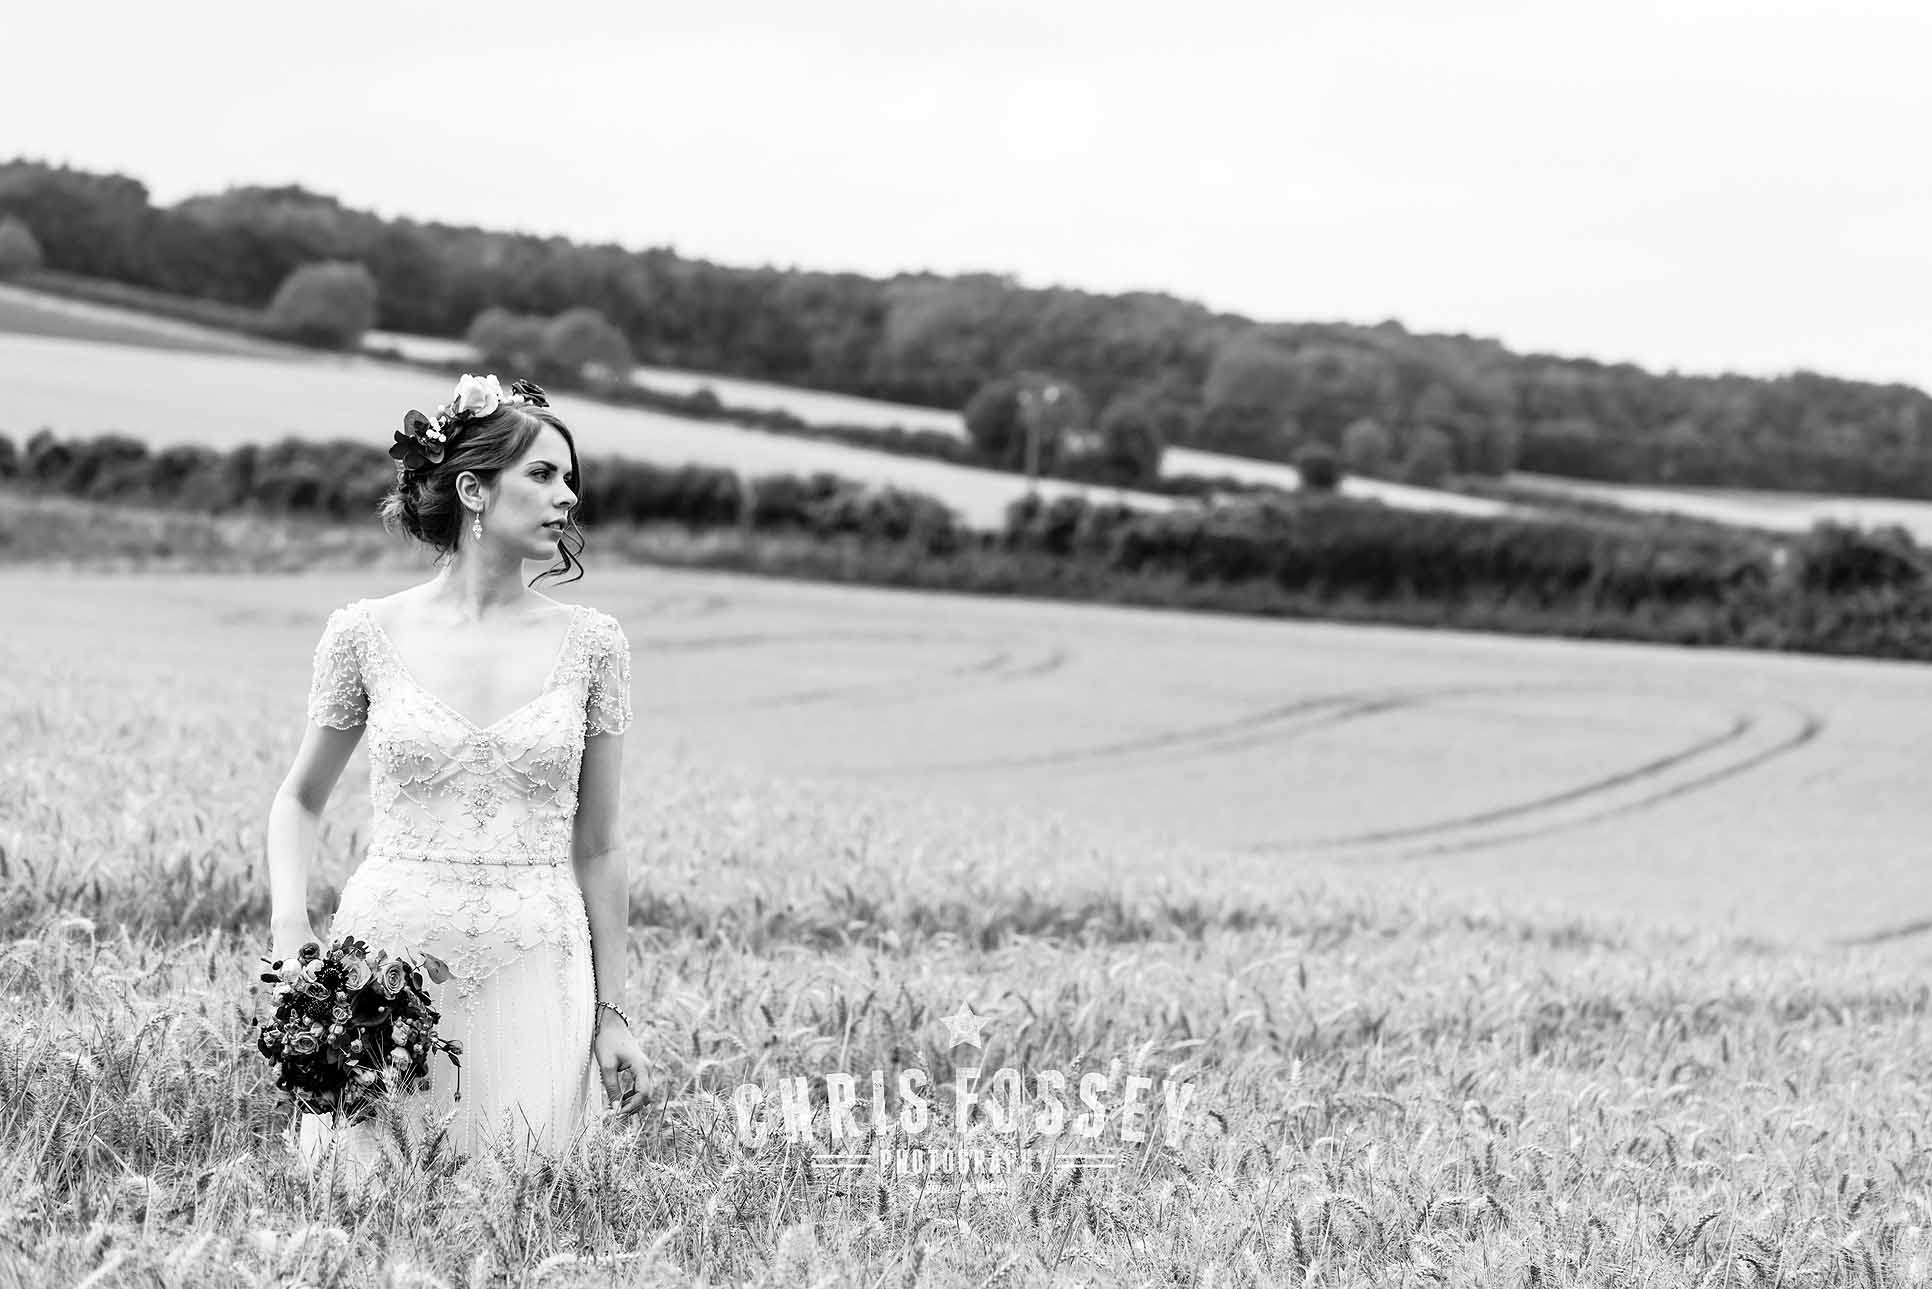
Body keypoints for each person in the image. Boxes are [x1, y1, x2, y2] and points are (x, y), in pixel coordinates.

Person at [263, 374, 648, 1180]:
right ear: (473, 488)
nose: (566, 497)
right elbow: (299, 799)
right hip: (388, 972)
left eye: (570, 479)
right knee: (366, 1217)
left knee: (520, 1218)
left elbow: (603, 847)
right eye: (542, 474)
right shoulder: (365, 633)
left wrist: (614, 1014)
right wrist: (293, 929)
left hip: (538, 969)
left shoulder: (593, 645)